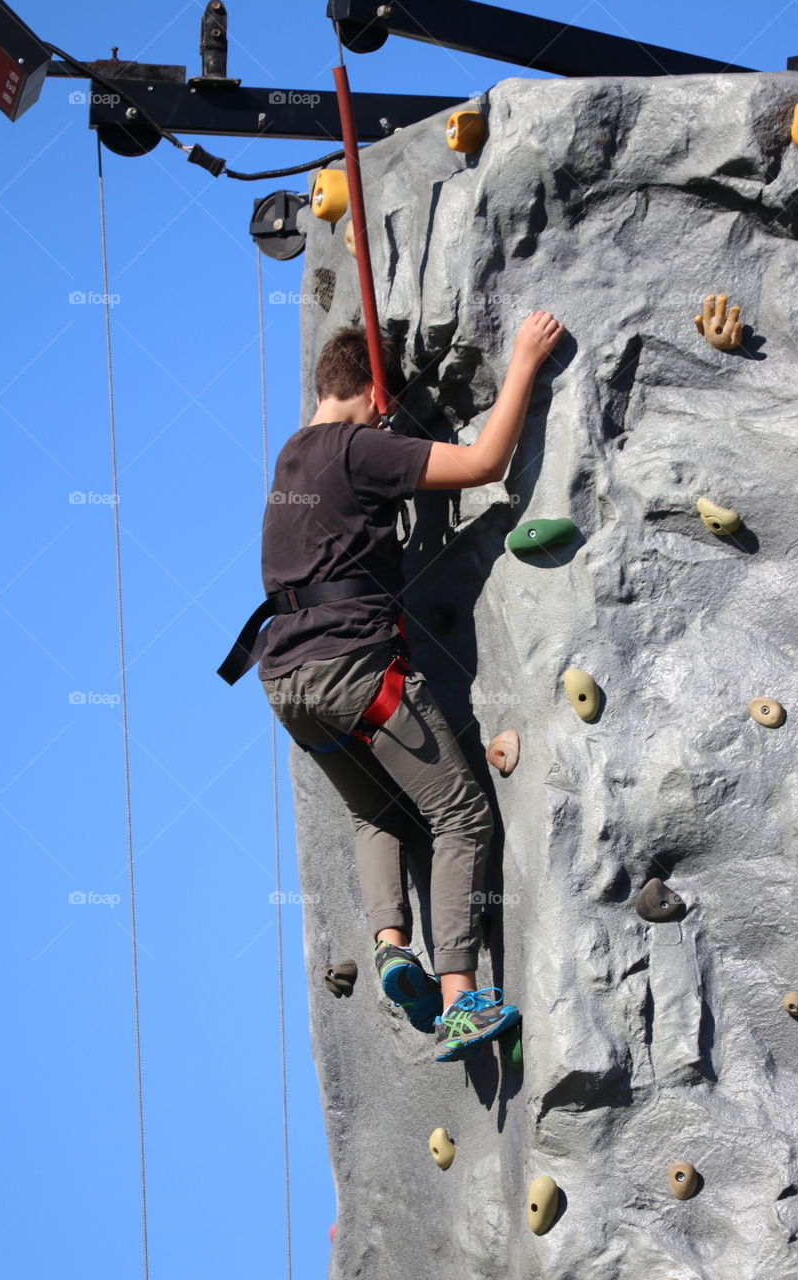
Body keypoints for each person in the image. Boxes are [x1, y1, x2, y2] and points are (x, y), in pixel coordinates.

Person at [247, 311, 563, 1062]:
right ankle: (459, 1000)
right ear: (373, 389)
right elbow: (484, 462)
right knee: (459, 816)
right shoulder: (360, 449)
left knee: (376, 811)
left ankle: (392, 947)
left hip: (286, 682)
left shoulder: (294, 457)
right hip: (354, 670)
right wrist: (522, 360)